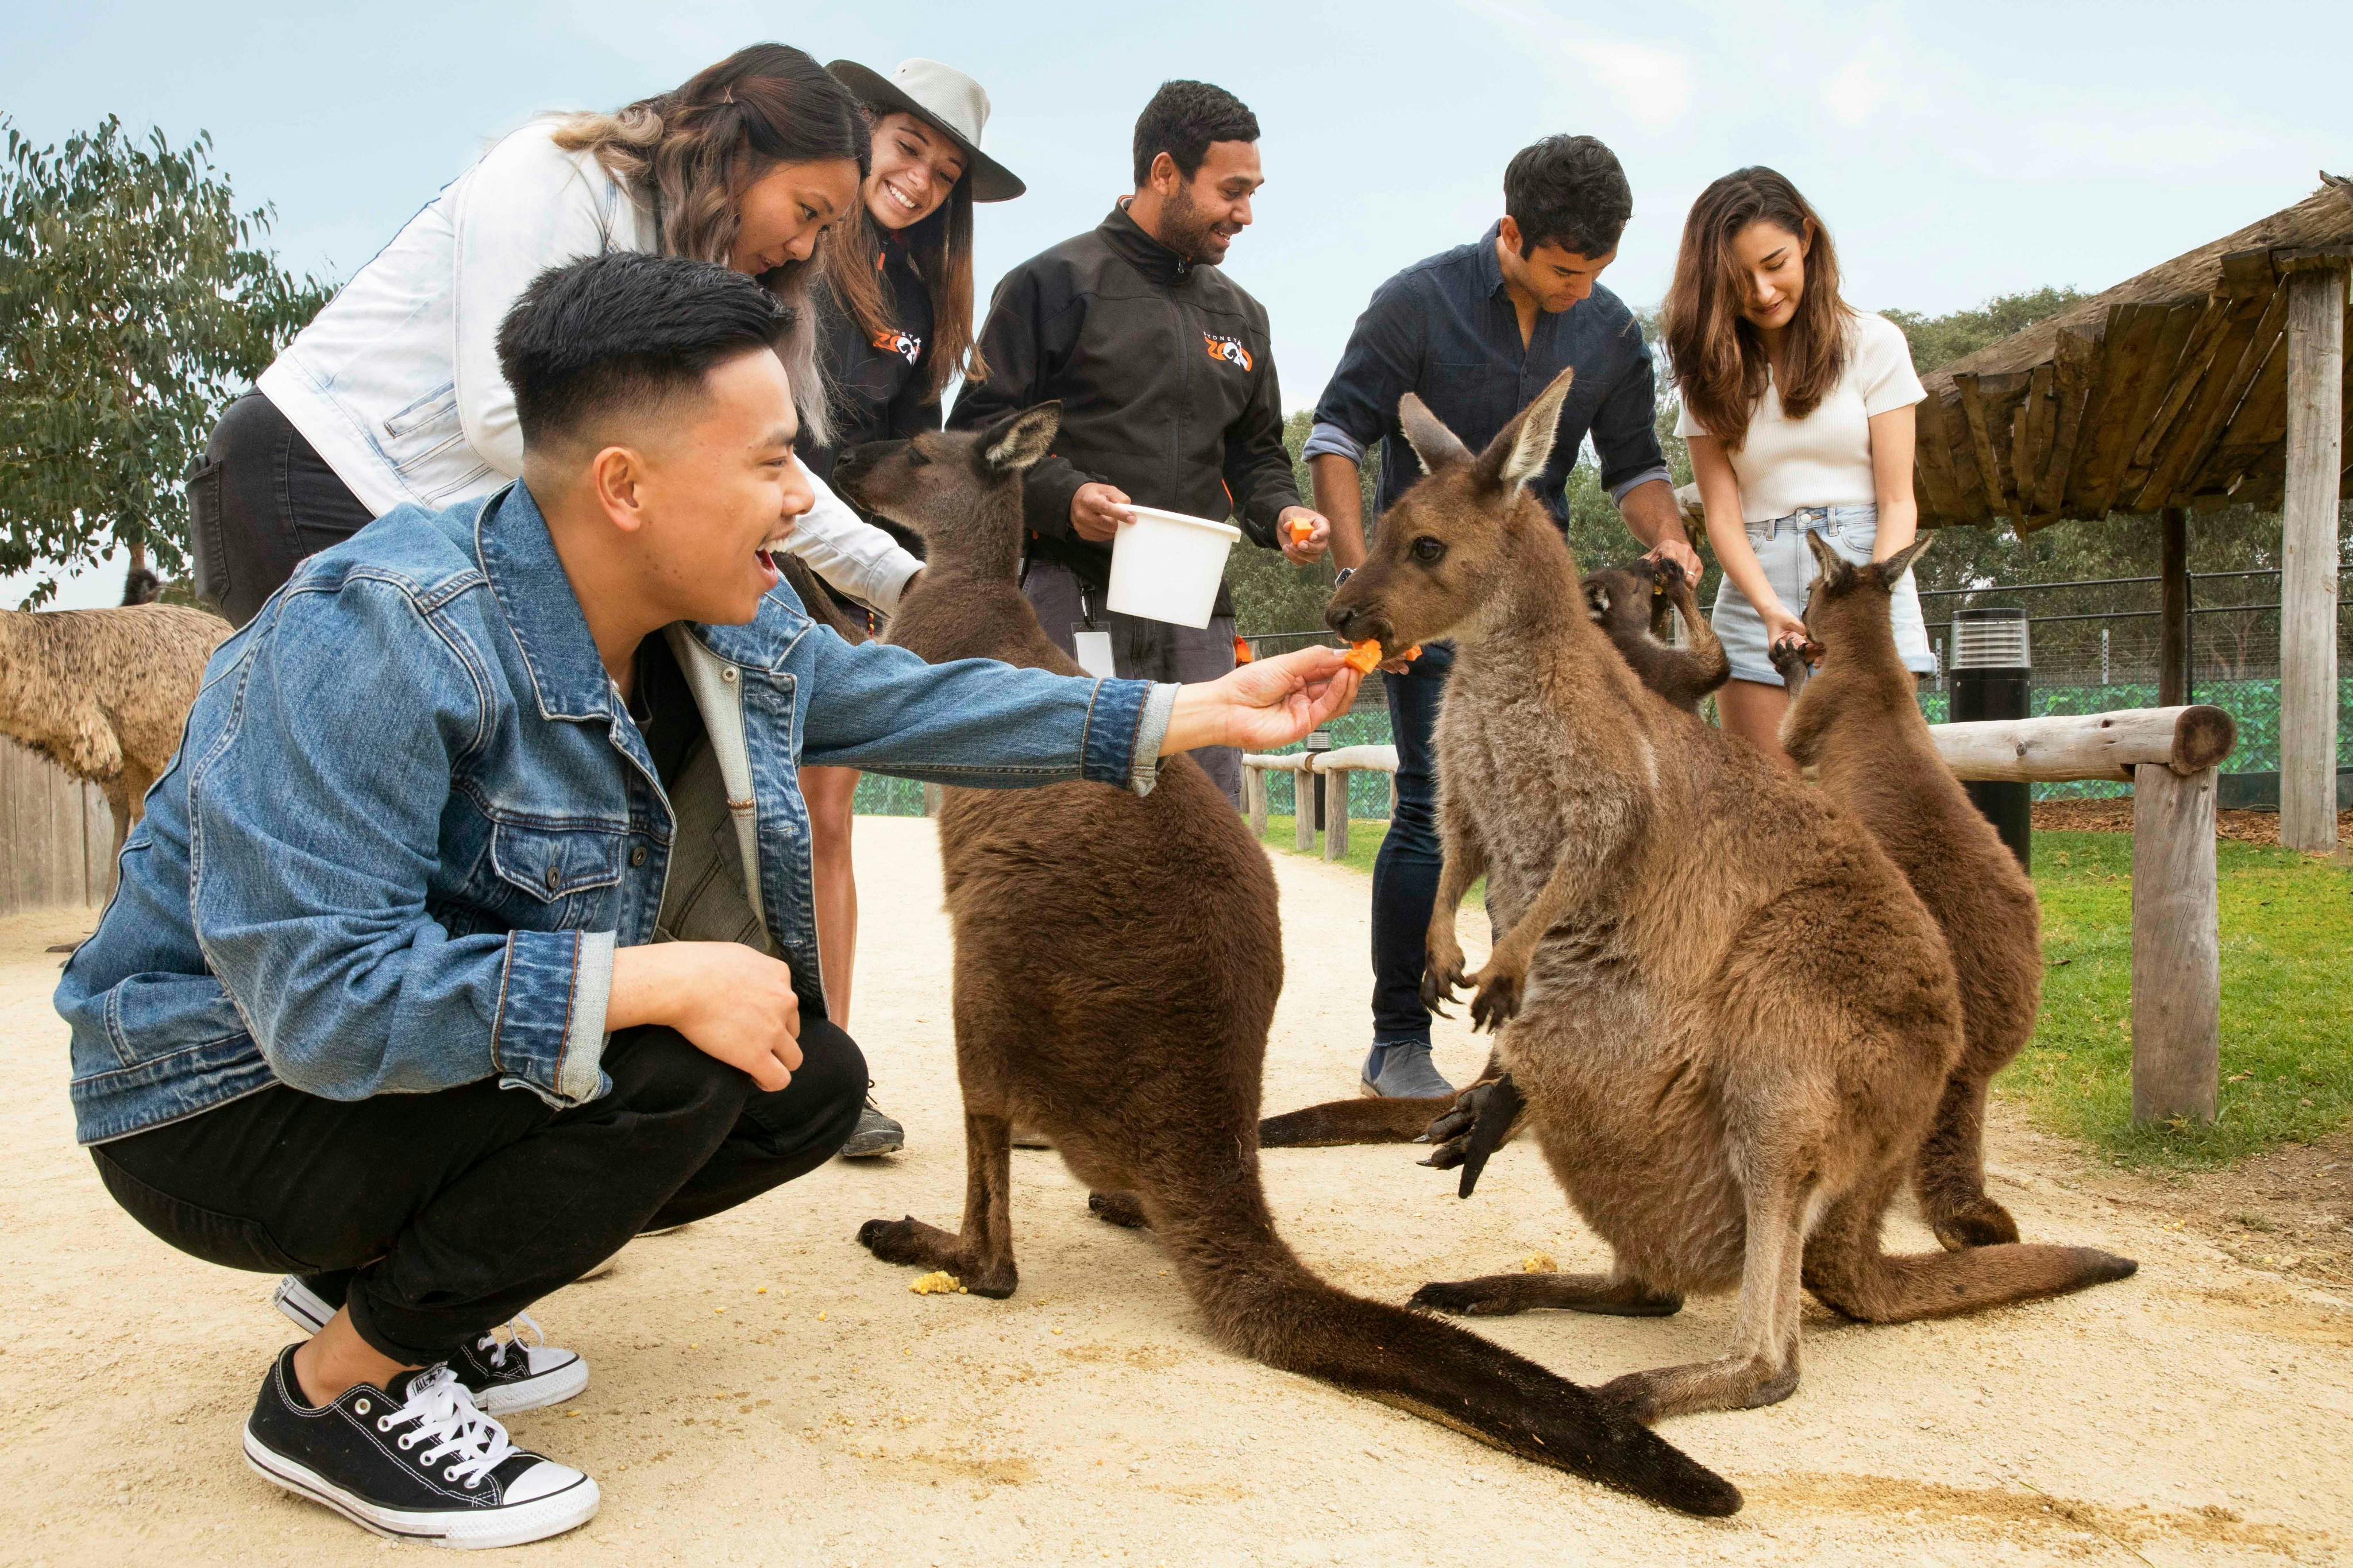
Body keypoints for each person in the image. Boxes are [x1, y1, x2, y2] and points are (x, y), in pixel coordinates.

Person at [59, 253, 1360, 1548]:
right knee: (681, 1050)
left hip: (366, 1085)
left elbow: (918, 700)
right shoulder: (389, 628)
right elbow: (324, 1010)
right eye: (769, 464)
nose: (802, 501)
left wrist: (1191, 711)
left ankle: (384, 1286)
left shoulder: (710, 625)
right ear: (625, 486)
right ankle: (337, 1389)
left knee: (805, 1078)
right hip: (209, 1108)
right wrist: (655, 978)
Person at [188, 43, 924, 633]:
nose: (803, 250)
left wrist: (911, 585)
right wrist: (695, 508)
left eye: (824, 231)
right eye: (805, 211)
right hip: (311, 477)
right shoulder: (561, 173)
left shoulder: (693, 283)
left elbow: (766, 473)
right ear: (736, 156)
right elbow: (507, 419)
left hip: (438, 531)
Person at [1303, 134, 1699, 1099]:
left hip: (1545, 609)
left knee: (1565, 822)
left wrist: (1674, 540)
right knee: (1434, 815)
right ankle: (1400, 1035)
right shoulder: (1419, 301)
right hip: (1436, 598)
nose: (1583, 289)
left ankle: (1532, 1043)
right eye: (1567, 269)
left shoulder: (1604, 329)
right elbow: (1336, 434)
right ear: (1512, 234)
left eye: (1601, 270)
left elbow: (1636, 464)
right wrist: (1372, 586)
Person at [947, 79, 1330, 806]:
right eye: (1231, 191)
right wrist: (1065, 499)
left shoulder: (1244, 317)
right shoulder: (1050, 285)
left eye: (1252, 193)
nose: (1245, 214)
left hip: (1198, 614)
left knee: (1202, 819)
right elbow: (974, 435)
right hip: (1072, 596)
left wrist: (1283, 515)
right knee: (1071, 815)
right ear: (1164, 175)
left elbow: (1256, 456)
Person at [793, 57, 1024, 1157]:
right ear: (862, 134)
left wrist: (888, 585)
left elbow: (901, 462)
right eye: (908, 148)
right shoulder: (800, 246)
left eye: (947, 169)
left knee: (823, 816)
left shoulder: (926, 299)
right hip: (746, 539)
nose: (924, 178)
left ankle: (828, 1074)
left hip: (840, 573)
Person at [1664, 166, 1934, 768]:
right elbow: (1724, 520)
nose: (1761, 292)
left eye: (1775, 263)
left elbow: (1897, 502)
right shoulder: (1707, 376)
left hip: (1864, 578)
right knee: (1768, 815)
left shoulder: (1875, 344)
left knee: (1880, 802)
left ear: (1807, 240)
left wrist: (1866, 606)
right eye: (1739, 278)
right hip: (1754, 581)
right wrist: (1769, 611)